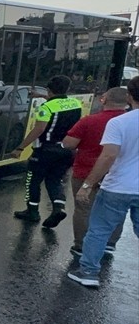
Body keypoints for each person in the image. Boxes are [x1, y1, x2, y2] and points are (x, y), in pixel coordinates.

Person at [67, 75, 139, 288]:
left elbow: (108, 156)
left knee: (99, 230)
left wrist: (88, 185)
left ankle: (88, 272)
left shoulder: (119, 123)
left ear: (129, 97)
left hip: (117, 187)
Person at [61, 86, 128, 256]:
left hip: (85, 172)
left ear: (104, 100)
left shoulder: (89, 121)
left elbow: (69, 143)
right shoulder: (131, 122)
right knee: (114, 210)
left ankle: (81, 245)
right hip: (119, 175)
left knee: (84, 209)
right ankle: (109, 243)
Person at [10, 75, 81, 228]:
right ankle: (58, 207)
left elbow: (39, 128)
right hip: (67, 150)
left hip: (45, 150)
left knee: (33, 180)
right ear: (67, 89)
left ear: (49, 90)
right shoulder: (75, 103)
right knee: (55, 180)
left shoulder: (46, 108)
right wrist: (42, 96)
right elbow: (59, 102)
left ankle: (32, 211)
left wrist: (20, 147)